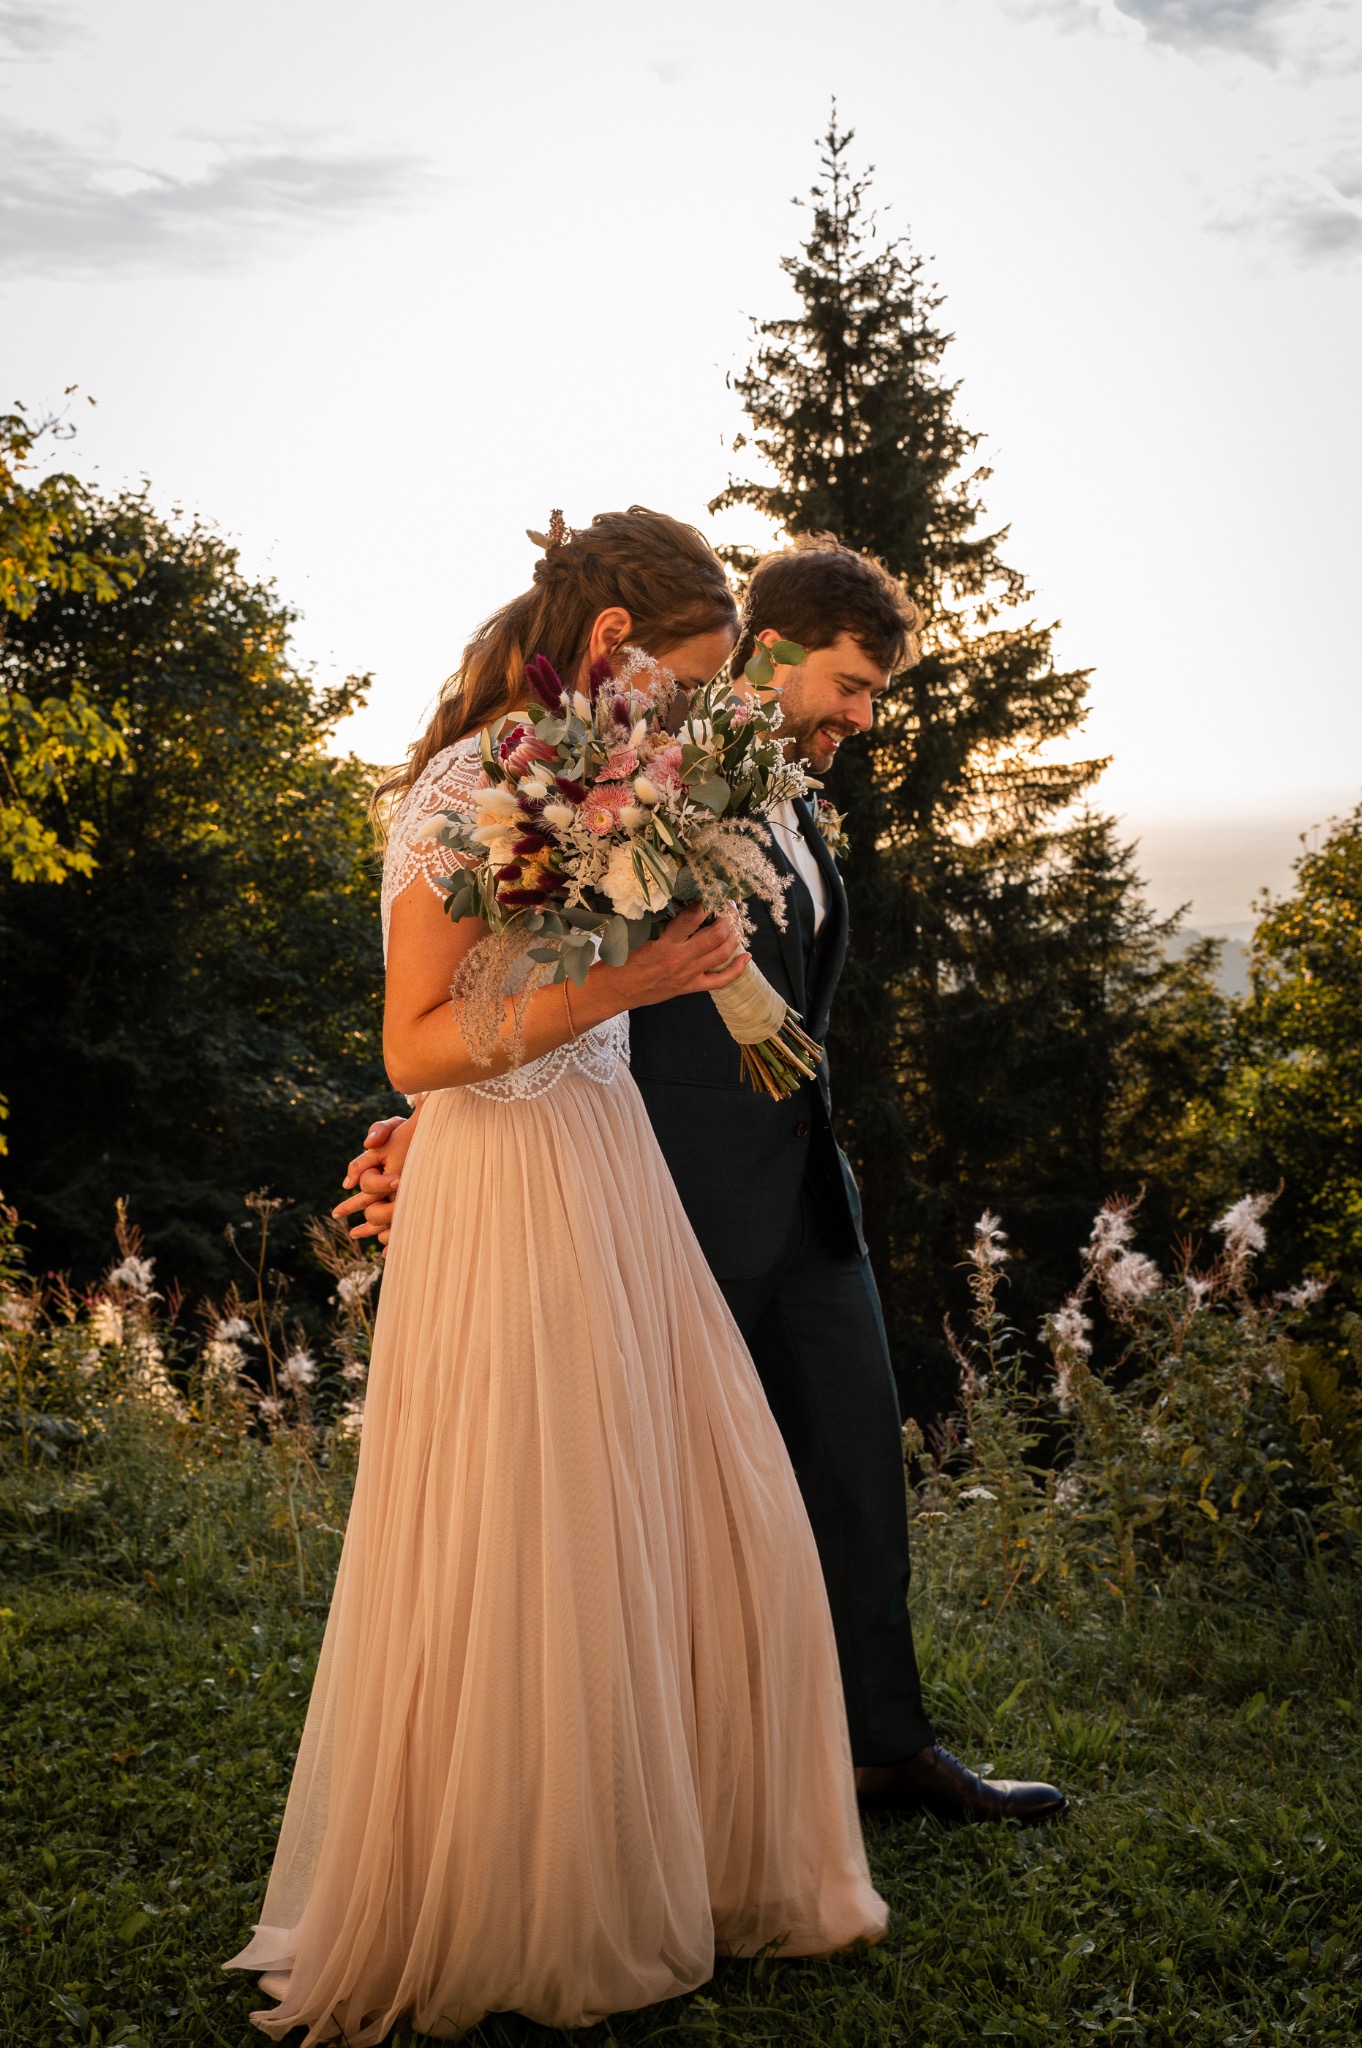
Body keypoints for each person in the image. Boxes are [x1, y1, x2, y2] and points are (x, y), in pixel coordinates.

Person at [225, 509, 887, 2046]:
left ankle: (700, 1849)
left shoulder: (594, 776)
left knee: (703, 1508)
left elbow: (541, 996)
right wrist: (626, 980)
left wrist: (685, 974)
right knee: (539, 1528)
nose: (687, 713)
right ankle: (535, 1890)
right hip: (511, 1182)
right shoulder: (479, 788)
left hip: (604, 1151)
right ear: (609, 651)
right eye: (682, 678)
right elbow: (417, 1042)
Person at [344, 534, 1066, 1828]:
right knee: (669, 1511)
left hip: (797, 1197)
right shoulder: (625, 775)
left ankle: (881, 1747)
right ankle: (689, 1784)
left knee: (848, 1467)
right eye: (848, 685)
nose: (860, 716)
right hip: (647, 1198)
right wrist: (423, 1132)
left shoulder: (752, 794)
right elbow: (484, 977)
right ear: (763, 658)